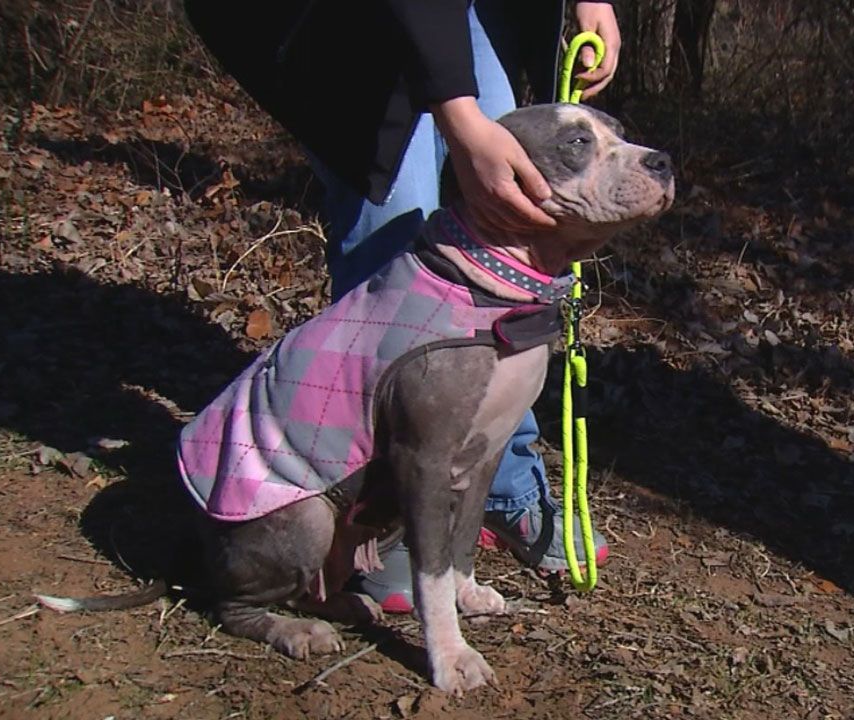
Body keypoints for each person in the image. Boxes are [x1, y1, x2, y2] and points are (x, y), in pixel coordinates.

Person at [183, 0, 621, 613]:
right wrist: (459, 118)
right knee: (395, 218)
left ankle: (499, 480)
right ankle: (378, 515)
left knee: (511, 223)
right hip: (354, 18)